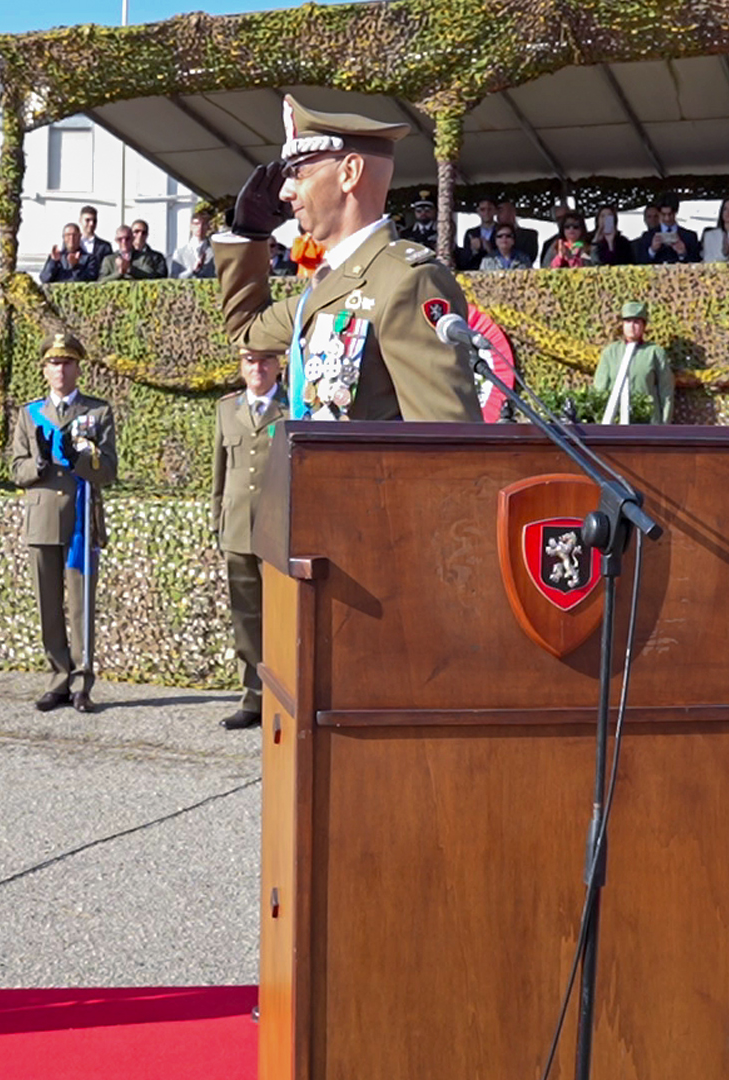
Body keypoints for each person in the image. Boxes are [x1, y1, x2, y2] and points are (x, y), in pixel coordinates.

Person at [213, 95, 481, 424]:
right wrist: (248, 235)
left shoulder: (408, 281)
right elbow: (247, 328)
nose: (285, 192)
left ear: (349, 172)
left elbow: (445, 441)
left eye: (299, 171)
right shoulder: (329, 283)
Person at [8, 333, 117, 714]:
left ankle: (81, 683)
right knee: (48, 606)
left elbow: (108, 471)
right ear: (44, 369)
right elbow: (14, 466)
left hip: (79, 521)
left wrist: (81, 461)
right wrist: (35, 467)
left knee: (81, 605)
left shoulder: (97, 413)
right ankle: (57, 677)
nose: (60, 369)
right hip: (41, 519)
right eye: (54, 363)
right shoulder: (29, 413)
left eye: (67, 362)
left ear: (77, 368)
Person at [210, 347, 286, 731]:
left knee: (281, 617)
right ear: (241, 366)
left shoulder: (293, 410)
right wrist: (216, 522)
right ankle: (252, 698)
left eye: (266, 360)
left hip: (277, 531)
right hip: (238, 527)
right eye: (250, 361)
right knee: (245, 618)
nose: (258, 368)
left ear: (279, 365)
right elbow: (219, 473)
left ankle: (283, 699)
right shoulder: (227, 409)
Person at [593, 301, 673, 425]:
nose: (632, 326)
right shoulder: (610, 353)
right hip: (615, 422)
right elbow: (599, 390)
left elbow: (666, 391)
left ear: (643, 326)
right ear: (622, 325)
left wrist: (664, 425)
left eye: (636, 322)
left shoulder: (654, 353)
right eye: (628, 321)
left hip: (648, 422)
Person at [638, 199, 700, 264]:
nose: (667, 219)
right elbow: (639, 263)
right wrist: (652, 250)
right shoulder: (648, 236)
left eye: (670, 214)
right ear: (659, 213)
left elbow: (698, 264)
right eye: (663, 214)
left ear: (676, 212)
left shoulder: (690, 237)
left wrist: (683, 254)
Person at [172, 211, 215, 278]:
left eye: (203, 224)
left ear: (208, 227)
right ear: (191, 226)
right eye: (196, 224)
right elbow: (174, 278)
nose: (200, 227)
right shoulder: (179, 252)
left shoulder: (214, 252)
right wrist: (192, 270)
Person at [459, 197, 499, 270]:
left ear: (495, 211)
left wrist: (490, 249)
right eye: (482, 209)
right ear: (478, 211)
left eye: (489, 209)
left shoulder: (502, 231)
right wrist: (473, 250)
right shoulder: (470, 233)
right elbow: (464, 260)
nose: (486, 212)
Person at [496, 198, 539, 262]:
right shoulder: (493, 234)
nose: (498, 215)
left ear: (513, 212)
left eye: (501, 211)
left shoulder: (529, 236)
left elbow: (530, 258)